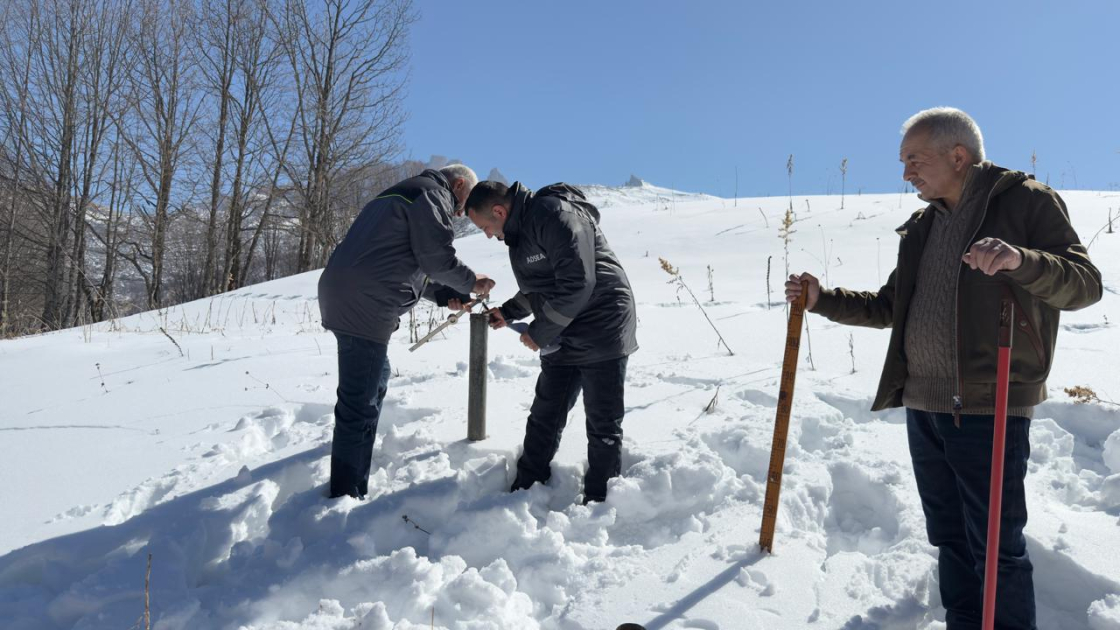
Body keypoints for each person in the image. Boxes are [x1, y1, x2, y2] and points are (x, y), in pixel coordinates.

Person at [786, 107, 1102, 629]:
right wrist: (824, 299)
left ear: (958, 156)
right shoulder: (924, 225)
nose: (906, 171)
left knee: (997, 547)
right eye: (903, 160)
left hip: (990, 401)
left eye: (915, 159)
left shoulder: (1025, 203)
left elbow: (1084, 284)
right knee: (950, 538)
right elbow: (892, 305)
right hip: (924, 405)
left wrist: (1020, 260)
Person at [318, 164, 495, 499]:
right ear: (458, 185)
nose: (463, 213)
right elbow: (435, 259)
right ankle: (346, 493)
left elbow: (403, 261)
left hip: (343, 292)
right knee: (359, 402)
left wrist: (446, 296)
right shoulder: (432, 195)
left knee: (375, 375)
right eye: (466, 203)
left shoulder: (402, 193)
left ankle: (354, 459)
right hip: (366, 302)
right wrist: (473, 281)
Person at [465, 180, 638, 504]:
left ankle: (601, 504)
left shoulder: (554, 214)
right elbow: (541, 287)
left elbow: (577, 283)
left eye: (486, 226)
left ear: (500, 211)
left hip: (602, 324)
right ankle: (525, 489)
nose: (488, 234)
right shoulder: (519, 237)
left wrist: (539, 333)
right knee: (545, 413)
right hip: (564, 331)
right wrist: (509, 311)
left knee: (602, 422)